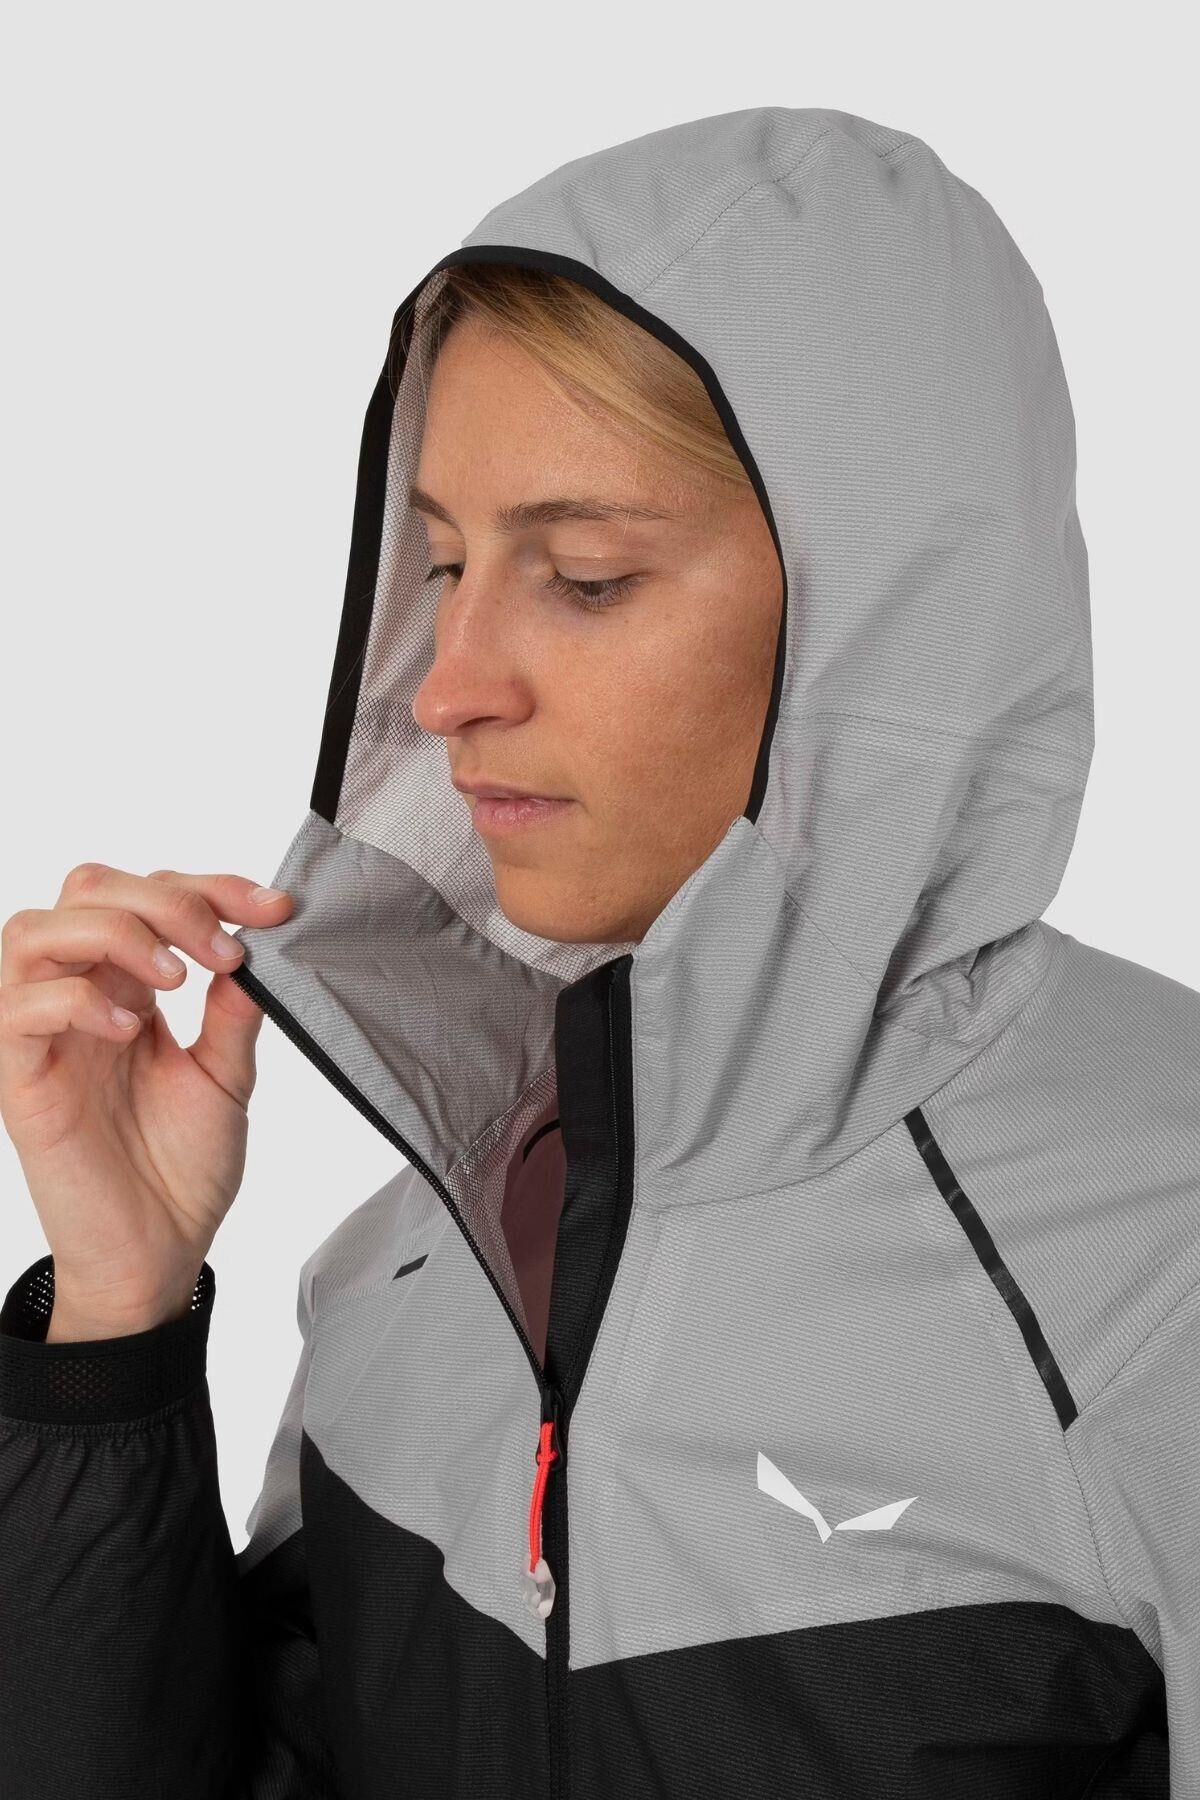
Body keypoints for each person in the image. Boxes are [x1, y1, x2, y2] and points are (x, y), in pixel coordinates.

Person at [0, 104, 1196, 1798]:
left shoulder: (1160, 1270)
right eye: (441, 563)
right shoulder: (422, 1253)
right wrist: (117, 1324)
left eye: (583, 576)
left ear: (883, 618)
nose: (445, 685)